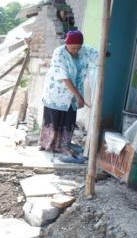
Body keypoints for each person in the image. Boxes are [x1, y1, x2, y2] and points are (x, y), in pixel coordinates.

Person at [40, 30, 98, 163]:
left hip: (73, 93)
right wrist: (79, 97)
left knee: (69, 119)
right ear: (66, 44)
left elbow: (98, 55)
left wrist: (106, 53)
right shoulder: (59, 53)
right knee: (54, 118)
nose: (75, 51)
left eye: (78, 48)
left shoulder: (82, 50)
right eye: (72, 48)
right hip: (57, 91)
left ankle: (64, 146)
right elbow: (64, 77)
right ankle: (49, 144)